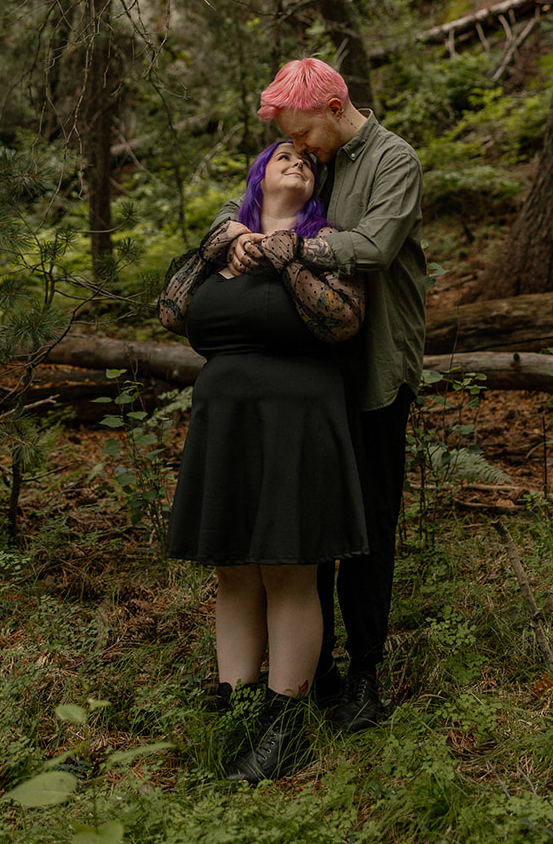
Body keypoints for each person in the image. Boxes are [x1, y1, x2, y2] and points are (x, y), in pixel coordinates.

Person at [226, 58, 426, 733]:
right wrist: (231, 234)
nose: (300, 149)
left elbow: (371, 246)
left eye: (305, 133)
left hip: (370, 372)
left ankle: (363, 673)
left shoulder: (393, 160)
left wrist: (283, 247)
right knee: (308, 526)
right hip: (304, 379)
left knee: (367, 529)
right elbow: (249, 207)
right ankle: (312, 669)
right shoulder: (313, 156)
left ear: (335, 106)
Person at [159, 139, 367, 784]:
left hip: (297, 418)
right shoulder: (225, 242)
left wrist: (290, 259)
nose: (298, 161)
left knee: (288, 566)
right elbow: (170, 311)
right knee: (234, 568)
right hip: (225, 421)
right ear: (258, 175)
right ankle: (236, 705)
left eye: (308, 159)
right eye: (283, 155)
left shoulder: (327, 240)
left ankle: (285, 721)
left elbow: (342, 322)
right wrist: (217, 244)